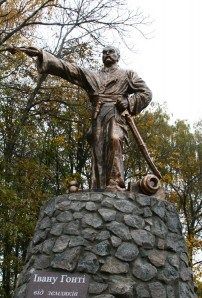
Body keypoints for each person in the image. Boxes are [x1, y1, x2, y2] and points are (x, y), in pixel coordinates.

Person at [8, 45, 152, 190]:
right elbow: (68, 69)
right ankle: (99, 187)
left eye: (111, 52)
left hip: (116, 113)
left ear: (118, 56)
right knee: (98, 148)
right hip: (98, 114)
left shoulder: (128, 75)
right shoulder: (93, 75)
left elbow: (146, 93)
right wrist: (41, 54)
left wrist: (129, 102)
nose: (107, 54)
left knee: (115, 139)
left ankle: (116, 182)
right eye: (104, 52)